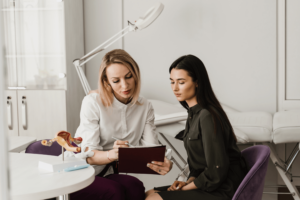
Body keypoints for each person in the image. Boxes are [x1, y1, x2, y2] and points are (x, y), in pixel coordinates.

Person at [70, 49, 173, 200]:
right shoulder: (92, 102)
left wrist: (165, 162)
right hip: (82, 172)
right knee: (115, 191)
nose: (125, 86)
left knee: (135, 187)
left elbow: (150, 151)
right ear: (106, 82)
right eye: (116, 81)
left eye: (129, 76)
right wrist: (112, 154)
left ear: (135, 74)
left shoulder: (144, 106)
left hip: (107, 173)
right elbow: (88, 156)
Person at [145, 55, 247, 200]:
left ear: (197, 82)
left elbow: (216, 171)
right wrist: (187, 182)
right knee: (149, 193)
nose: (175, 88)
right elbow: (198, 166)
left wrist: (186, 188)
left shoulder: (207, 116)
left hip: (221, 190)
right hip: (208, 185)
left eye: (181, 82)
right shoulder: (193, 114)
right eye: (172, 82)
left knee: (153, 199)